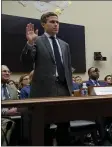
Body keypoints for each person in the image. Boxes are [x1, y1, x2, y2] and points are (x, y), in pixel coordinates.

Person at [20, 12, 73, 145]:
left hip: (63, 90)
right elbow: (26, 62)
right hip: (43, 90)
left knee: (64, 127)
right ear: (43, 24)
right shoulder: (37, 40)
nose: (56, 24)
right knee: (43, 129)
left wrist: (70, 89)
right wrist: (30, 43)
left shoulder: (64, 44)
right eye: (52, 22)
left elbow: (67, 67)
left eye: (57, 22)